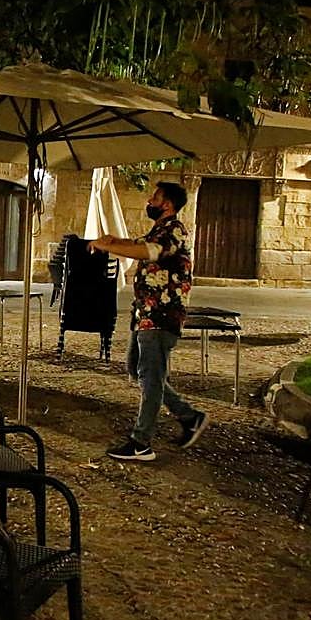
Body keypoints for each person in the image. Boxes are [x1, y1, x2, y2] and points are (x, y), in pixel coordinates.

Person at [89, 181, 209, 461]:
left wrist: (110, 246)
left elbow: (149, 251)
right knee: (137, 369)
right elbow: (138, 244)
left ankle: (141, 442)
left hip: (162, 316)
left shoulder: (174, 230)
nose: (149, 201)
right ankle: (189, 416)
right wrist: (112, 241)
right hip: (145, 315)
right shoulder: (159, 230)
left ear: (166, 204)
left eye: (154, 197)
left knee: (151, 377)